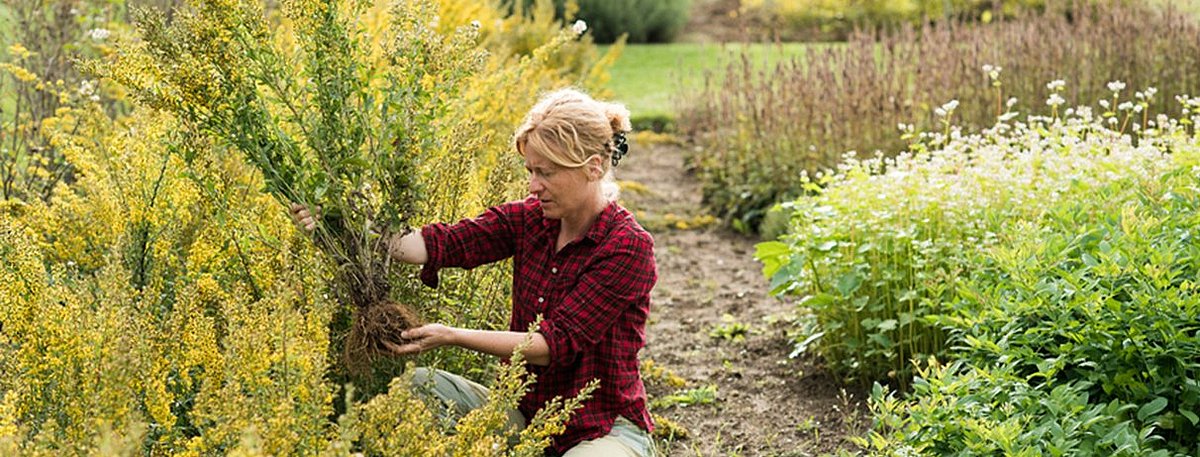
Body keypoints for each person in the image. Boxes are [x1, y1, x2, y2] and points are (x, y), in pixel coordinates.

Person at [291, 88, 656, 456]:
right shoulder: (529, 219)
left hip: (601, 430)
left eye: (546, 172)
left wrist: (452, 335)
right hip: (526, 417)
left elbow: (551, 345)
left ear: (593, 166)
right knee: (419, 387)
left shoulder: (627, 246)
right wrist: (338, 225)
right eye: (530, 170)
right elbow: (436, 245)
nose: (533, 185)